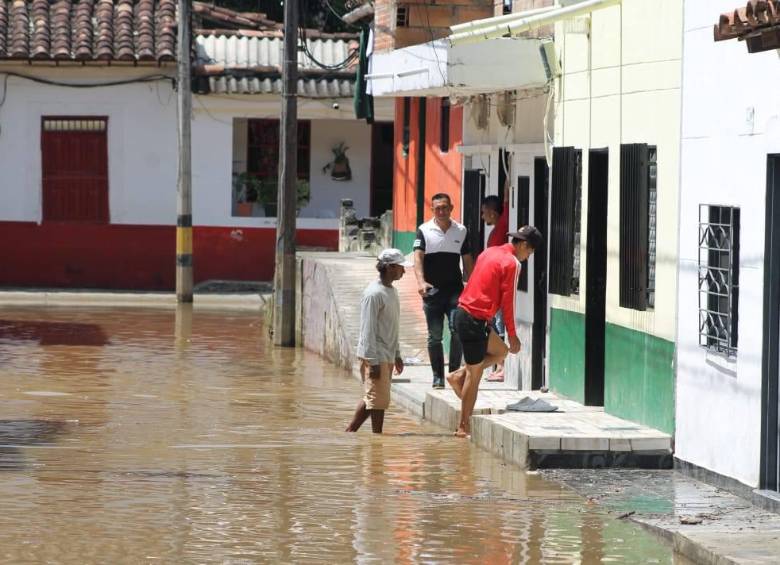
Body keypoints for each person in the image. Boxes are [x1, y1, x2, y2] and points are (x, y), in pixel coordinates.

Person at [448, 226, 543, 438]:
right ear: (525, 246)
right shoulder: (512, 263)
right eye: (530, 252)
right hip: (473, 319)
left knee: (500, 352)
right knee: (476, 375)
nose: (528, 257)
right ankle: (463, 427)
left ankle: (458, 376)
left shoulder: (489, 251)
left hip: (466, 314)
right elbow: (508, 302)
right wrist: (512, 334)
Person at [413, 193, 475, 389]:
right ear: (432, 210)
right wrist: (421, 282)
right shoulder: (424, 230)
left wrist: (472, 285)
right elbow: (418, 258)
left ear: (451, 208)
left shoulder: (461, 231)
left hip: (455, 291)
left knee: (457, 331)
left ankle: (454, 373)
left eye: (445, 207)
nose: (441, 211)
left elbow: (467, 259)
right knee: (435, 336)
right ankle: (437, 376)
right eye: (437, 208)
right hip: (432, 292)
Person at [346, 248, 411, 434]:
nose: (404, 271)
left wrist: (397, 354)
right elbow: (367, 330)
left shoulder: (391, 292)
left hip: (386, 354)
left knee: (374, 399)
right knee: (377, 401)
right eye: (401, 267)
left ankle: (352, 433)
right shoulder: (373, 294)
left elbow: (393, 326)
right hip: (376, 355)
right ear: (390, 268)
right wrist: (372, 362)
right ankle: (376, 441)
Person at [481, 189, 510, 382]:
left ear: (492, 212)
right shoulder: (498, 228)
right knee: (497, 325)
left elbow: (507, 201)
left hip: (499, 288)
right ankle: (498, 366)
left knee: (499, 327)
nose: (482, 216)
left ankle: (501, 368)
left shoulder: (501, 228)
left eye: (484, 212)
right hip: (495, 288)